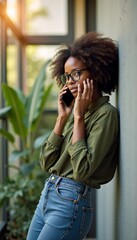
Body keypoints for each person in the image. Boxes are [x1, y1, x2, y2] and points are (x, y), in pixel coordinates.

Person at [27, 32, 119, 240]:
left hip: (70, 202)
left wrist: (77, 117)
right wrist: (62, 119)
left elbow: (82, 170)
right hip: (48, 194)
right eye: (67, 76)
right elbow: (46, 162)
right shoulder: (73, 114)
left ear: (96, 72)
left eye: (76, 73)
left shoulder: (106, 115)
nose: (70, 82)